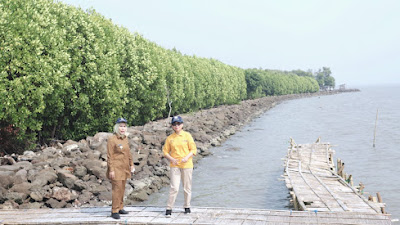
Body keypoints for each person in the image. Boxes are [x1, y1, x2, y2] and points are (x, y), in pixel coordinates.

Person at [162, 115, 197, 217]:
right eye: (174, 124)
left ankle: (187, 206)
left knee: (187, 187)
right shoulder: (170, 138)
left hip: (187, 165)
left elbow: (193, 149)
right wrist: (171, 159)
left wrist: (187, 157)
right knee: (174, 187)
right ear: (172, 126)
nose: (176, 126)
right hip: (175, 165)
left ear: (182, 125)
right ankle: (169, 208)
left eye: (178, 124)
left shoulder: (187, 136)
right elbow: (165, 152)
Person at [107, 118, 135, 220]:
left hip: (125, 168)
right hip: (116, 168)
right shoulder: (112, 139)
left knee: (122, 188)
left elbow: (128, 153)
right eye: (120, 126)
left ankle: (120, 207)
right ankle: (114, 210)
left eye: (124, 126)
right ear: (116, 127)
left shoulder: (125, 139)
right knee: (117, 189)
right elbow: (110, 156)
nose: (122, 128)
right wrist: (111, 170)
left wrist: (131, 165)